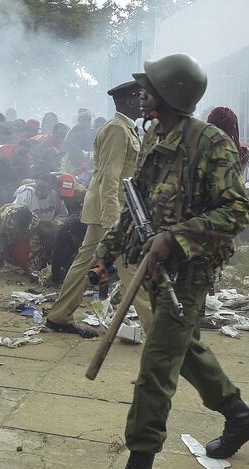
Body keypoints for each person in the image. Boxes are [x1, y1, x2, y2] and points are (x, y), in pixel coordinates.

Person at [90, 54, 249, 469]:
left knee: (155, 369)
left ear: (167, 95)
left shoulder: (212, 144)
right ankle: (242, 417)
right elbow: (138, 205)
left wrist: (177, 236)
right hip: (154, 268)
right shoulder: (154, 137)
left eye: (148, 89)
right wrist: (107, 253)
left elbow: (238, 212)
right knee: (183, 349)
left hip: (188, 275)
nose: (141, 94)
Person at [46, 80, 153, 338]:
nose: (143, 101)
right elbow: (110, 177)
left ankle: (59, 315)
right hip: (111, 211)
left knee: (85, 263)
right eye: (140, 96)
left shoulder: (128, 129)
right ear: (127, 101)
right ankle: (157, 330)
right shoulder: (117, 130)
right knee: (131, 266)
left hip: (110, 209)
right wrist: (113, 220)